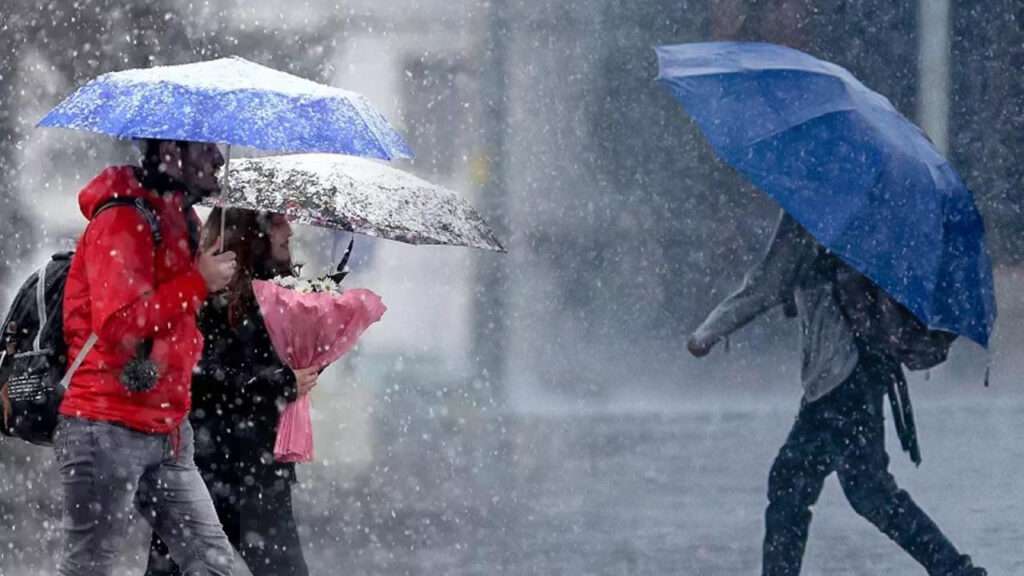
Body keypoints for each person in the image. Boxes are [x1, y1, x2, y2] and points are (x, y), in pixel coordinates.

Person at [686, 211, 986, 576]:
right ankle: (957, 571)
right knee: (863, 491)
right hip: (864, 369)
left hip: (839, 374)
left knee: (800, 485)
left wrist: (708, 332)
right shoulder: (869, 212)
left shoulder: (811, 209)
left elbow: (768, 283)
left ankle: (957, 572)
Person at [55, 139, 238, 575]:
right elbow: (119, 324)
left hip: (167, 428)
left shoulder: (181, 218)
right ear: (171, 149)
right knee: (88, 568)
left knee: (214, 564)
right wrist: (197, 283)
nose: (218, 158)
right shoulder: (122, 218)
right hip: (106, 424)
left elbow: (175, 318)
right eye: (205, 148)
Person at [145, 207, 319, 576]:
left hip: (260, 468)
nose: (289, 231)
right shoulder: (207, 293)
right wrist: (281, 383)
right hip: (208, 465)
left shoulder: (281, 293)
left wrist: (310, 362)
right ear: (251, 231)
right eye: (278, 222)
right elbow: (201, 376)